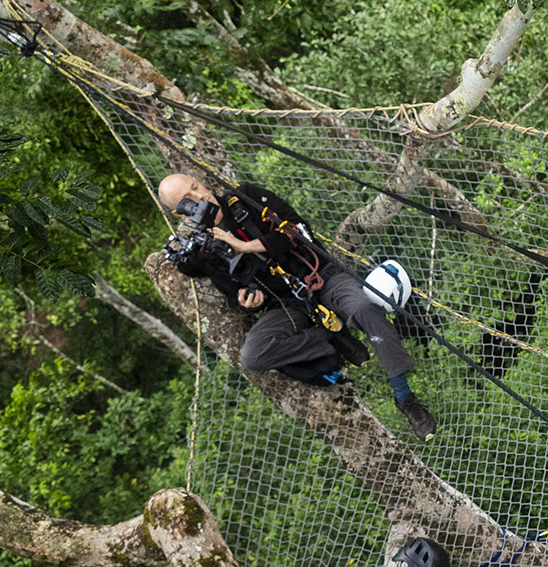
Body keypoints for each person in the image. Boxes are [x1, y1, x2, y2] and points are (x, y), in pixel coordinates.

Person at [156, 173, 437, 441]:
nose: (200, 195)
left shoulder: (245, 198)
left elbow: (299, 231)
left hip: (321, 277)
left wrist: (244, 246)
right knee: (253, 355)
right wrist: (249, 302)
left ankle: (404, 397)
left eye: (196, 185)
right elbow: (235, 293)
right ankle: (333, 338)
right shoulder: (204, 247)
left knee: (364, 306)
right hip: (288, 305)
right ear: (180, 213)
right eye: (188, 198)